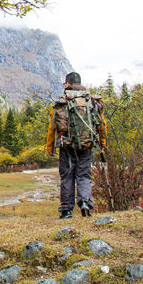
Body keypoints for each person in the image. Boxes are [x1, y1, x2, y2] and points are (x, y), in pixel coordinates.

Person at [46, 71, 107, 219]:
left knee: (67, 176)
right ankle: (85, 203)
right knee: (84, 175)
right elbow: (102, 124)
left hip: (66, 146)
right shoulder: (91, 101)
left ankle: (66, 210)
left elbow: (52, 127)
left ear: (67, 84)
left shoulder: (61, 102)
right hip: (86, 145)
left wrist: (50, 147)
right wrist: (102, 143)